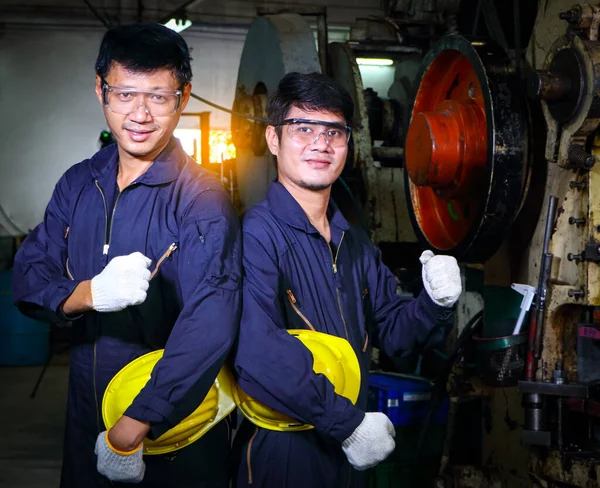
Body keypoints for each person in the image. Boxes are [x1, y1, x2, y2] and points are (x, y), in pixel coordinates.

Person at [12, 23, 241, 487]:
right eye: (125, 94)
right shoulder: (79, 183)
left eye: (158, 96)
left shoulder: (201, 198)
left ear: (183, 97)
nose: (140, 113)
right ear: (101, 91)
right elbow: (29, 278)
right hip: (87, 419)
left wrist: (134, 426)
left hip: (170, 430)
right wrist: (88, 293)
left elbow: (211, 322)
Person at [232, 72, 462, 488]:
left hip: (353, 447)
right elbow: (256, 353)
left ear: (347, 144)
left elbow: (394, 335)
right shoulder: (256, 235)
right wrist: (346, 423)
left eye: (334, 132)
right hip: (286, 453)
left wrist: (434, 302)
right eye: (303, 129)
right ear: (272, 140)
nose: (321, 144)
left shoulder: (352, 242)